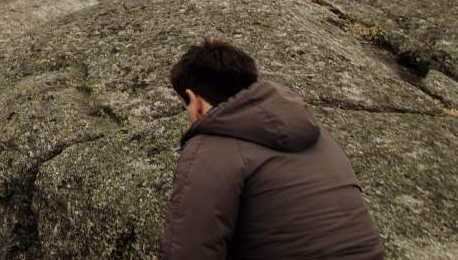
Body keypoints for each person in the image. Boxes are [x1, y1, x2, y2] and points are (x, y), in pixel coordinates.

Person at [160, 39, 382, 259]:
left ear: (194, 100)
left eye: (185, 106)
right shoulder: (318, 136)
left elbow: (187, 252)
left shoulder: (209, 149)